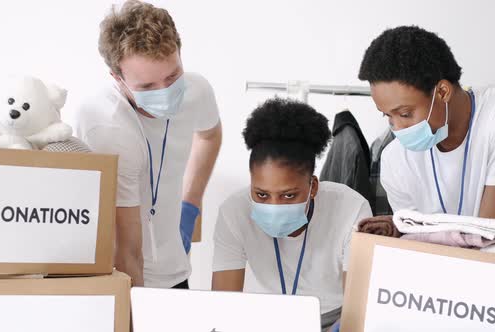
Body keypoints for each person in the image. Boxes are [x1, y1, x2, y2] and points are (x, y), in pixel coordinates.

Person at [71, 0, 222, 288]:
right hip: (122, 274)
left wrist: (190, 205)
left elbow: (209, 135)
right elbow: (127, 251)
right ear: (118, 78)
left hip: (176, 269)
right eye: (148, 87)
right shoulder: (107, 125)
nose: (165, 93)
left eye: (172, 76)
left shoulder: (196, 90)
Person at [211, 98, 372, 323]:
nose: (274, 207)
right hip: (264, 319)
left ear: (313, 187)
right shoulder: (234, 213)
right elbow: (223, 307)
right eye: (261, 195)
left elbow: (358, 310)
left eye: (288, 195)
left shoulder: (351, 209)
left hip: (332, 318)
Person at [358, 26, 495, 226]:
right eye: (388, 116)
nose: (397, 128)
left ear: (443, 92)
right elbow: (415, 242)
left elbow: (492, 231)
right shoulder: (394, 160)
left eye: (405, 114)